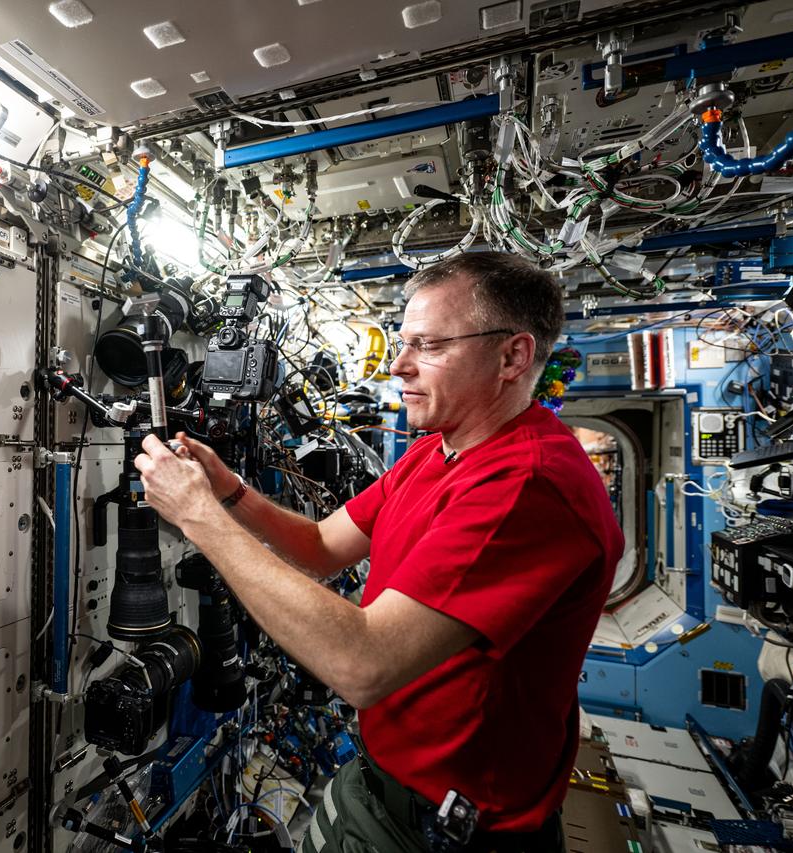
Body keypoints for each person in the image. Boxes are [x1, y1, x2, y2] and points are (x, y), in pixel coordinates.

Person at [132, 252, 623, 853]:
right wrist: (229, 492)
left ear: (512, 357)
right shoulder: (436, 451)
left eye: (428, 345)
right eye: (402, 342)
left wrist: (197, 516)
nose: (398, 365)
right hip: (379, 782)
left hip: (446, 831)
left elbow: (361, 664)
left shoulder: (527, 487)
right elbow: (320, 546)